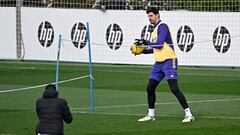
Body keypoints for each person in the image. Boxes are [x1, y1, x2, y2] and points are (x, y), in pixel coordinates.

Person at [133, 7, 194, 123]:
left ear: (157, 15)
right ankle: (151, 115)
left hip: (169, 61)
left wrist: (146, 43)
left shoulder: (163, 26)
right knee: (150, 88)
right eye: (148, 16)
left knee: (174, 89)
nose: (149, 18)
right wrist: (142, 51)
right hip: (159, 63)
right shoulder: (155, 29)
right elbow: (155, 49)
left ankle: (189, 114)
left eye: (151, 16)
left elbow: (160, 44)